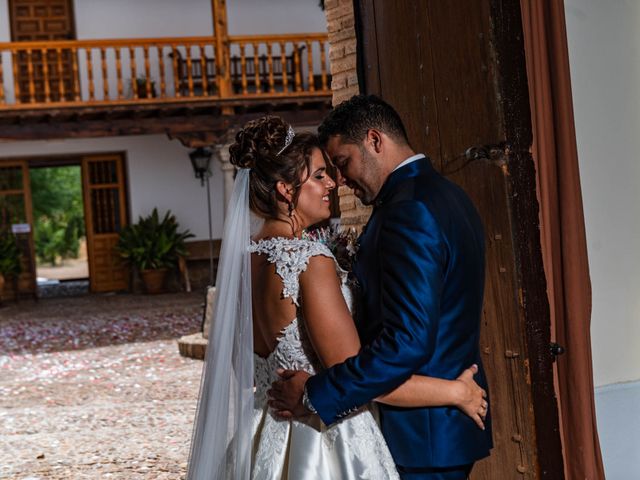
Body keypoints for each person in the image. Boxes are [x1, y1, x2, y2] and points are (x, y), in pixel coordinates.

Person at [186, 115, 487, 480]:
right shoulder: (310, 261)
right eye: (319, 175)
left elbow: (243, 369)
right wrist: (455, 392)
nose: (333, 182)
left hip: (263, 430)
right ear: (285, 189)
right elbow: (353, 369)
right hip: (320, 436)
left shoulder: (243, 264)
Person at [269, 95, 493, 479]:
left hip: (421, 435)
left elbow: (407, 343)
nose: (340, 180)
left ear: (375, 141)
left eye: (342, 163)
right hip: (437, 426)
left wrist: (316, 393)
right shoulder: (447, 195)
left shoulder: (409, 211)